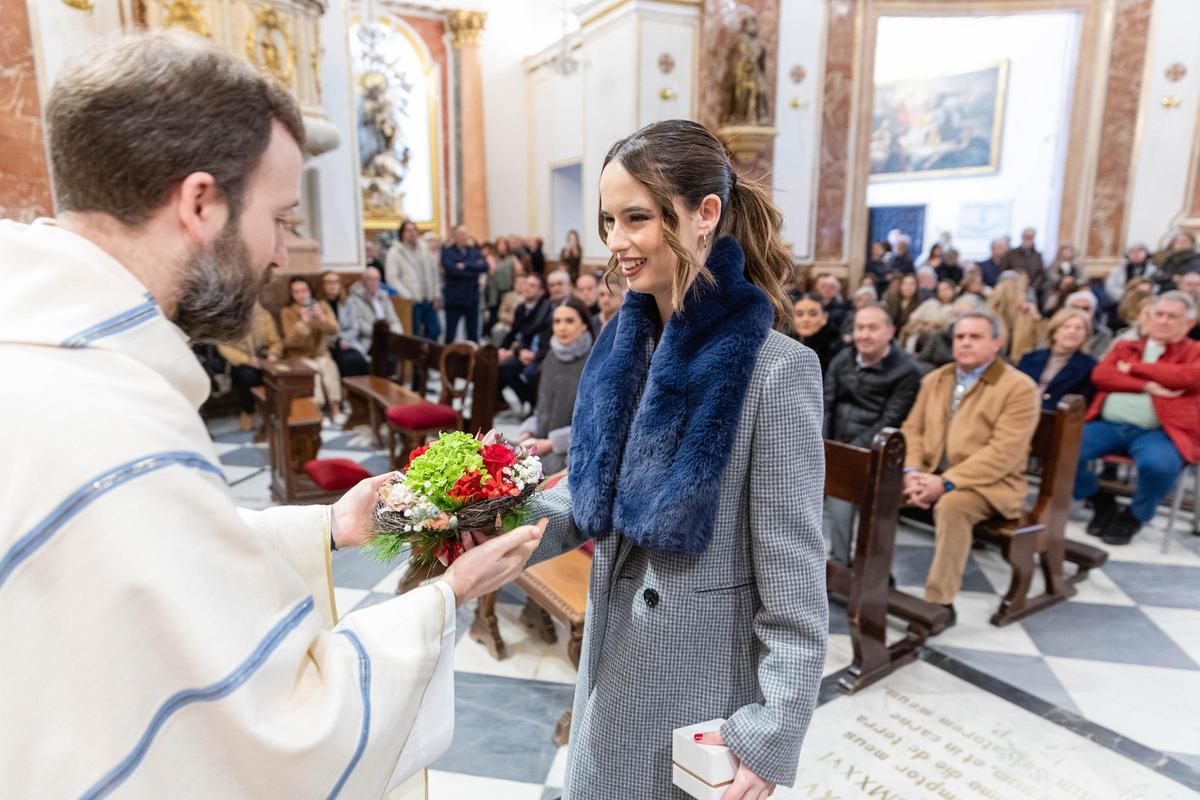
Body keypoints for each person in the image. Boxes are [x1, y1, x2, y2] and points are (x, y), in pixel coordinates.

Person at [0, 30, 545, 798]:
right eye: (282, 217)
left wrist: (329, 527)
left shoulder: (38, 349)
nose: (282, 255)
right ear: (199, 203)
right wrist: (444, 598)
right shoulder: (110, 423)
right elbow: (274, 738)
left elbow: (154, 553)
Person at [488, 119, 827, 800]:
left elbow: (795, 573)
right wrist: (484, 523)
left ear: (705, 214)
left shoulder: (776, 371)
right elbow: (583, 494)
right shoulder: (619, 350)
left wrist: (771, 732)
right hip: (612, 659)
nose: (616, 243)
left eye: (637, 218)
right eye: (608, 220)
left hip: (697, 680)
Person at [900, 310, 1041, 621]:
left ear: (996, 343)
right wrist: (912, 473)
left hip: (991, 484)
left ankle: (940, 602)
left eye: (975, 337)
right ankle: (871, 579)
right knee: (875, 485)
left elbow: (1004, 452)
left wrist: (946, 482)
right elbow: (913, 429)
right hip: (930, 473)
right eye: (960, 337)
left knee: (952, 506)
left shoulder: (1018, 387)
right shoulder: (937, 379)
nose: (965, 343)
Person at [1072, 292, 1200, 545]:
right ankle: (1099, 500)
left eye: (1172, 316)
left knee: (1159, 466)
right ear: (1149, 317)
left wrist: (1134, 369)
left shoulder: (1194, 351)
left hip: (1160, 431)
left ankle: (1135, 515)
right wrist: (1147, 387)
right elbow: (1102, 375)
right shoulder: (1126, 346)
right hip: (1108, 425)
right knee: (1066, 449)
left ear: (1188, 323)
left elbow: (1189, 378)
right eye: (1159, 314)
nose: (1163, 321)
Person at [822, 304, 921, 564]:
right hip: (837, 443)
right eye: (859, 328)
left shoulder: (906, 371)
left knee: (852, 492)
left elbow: (892, 419)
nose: (864, 335)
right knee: (836, 495)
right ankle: (839, 563)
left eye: (873, 328)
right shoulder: (844, 358)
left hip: (877, 450)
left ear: (890, 331)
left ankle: (870, 569)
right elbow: (827, 402)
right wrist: (826, 444)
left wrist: (849, 454)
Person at [517, 298, 595, 474]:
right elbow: (542, 408)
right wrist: (528, 433)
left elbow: (593, 422)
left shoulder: (594, 361)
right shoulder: (551, 357)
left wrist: (553, 443)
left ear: (584, 325)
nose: (562, 327)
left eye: (569, 321)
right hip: (541, 443)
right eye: (557, 321)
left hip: (574, 450)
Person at [281, 277, 348, 425]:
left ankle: (336, 409)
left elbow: (335, 329)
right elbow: (289, 342)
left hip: (320, 353)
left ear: (310, 291)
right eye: (296, 292)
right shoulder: (287, 312)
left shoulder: (322, 305)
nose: (301, 295)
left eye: (303, 290)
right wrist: (303, 324)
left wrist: (322, 319)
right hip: (299, 355)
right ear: (292, 294)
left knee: (329, 367)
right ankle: (316, 411)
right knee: (312, 373)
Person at [216, 300, 283, 431]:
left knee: (273, 376)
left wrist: (273, 354)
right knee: (248, 376)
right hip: (241, 360)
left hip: (264, 359)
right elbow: (223, 347)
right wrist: (246, 359)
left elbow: (276, 341)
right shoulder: (228, 316)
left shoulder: (264, 315)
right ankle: (248, 411)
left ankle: (271, 413)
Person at [1017, 308, 1097, 410]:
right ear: (1054, 332)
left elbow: (1080, 406)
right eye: (1066, 327)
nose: (1072, 331)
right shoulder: (1029, 358)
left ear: (1086, 335)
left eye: (1079, 328)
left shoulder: (1089, 367)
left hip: (1055, 420)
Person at [497, 273, 552, 412]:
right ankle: (522, 400)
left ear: (541, 291)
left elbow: (530, 332)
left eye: (532, 285)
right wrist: (501, 349)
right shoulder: (521, 308)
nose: (527, 288)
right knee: (503, 367)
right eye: (526, 284)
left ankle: (534, 406)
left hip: (539, 352)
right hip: (524, 350)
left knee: (531, 373)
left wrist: (514, 351)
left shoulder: (545, 308)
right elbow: (513, 332)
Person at [386, 219, 442, 341]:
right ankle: (418, 359)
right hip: (411, 301)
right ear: (402, 233)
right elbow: (391, 278)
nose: (412, 233)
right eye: (408, 230)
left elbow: (433, 273)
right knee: (414, 334)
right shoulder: (395, 252)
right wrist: (407, 296)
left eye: (414, 230)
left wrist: (436, 295)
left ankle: (430, 357)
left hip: (428, 298)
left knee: (435, 331)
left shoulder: (424, 249)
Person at [343, 264, 404, 358]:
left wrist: (395, 334)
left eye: (376, 280)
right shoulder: (354, 299)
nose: (373, 283)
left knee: (408, 346)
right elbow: (359, 324)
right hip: (369, 340)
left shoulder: (384, 297)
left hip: (388, 337)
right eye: (370, 279)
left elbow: (394, 319)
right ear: (363, 282)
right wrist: (381, 334)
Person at [318, 270, 370, 380]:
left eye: (335, 282)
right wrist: (336, 341)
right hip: (328, 346)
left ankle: (362, 392)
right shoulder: (319, 305)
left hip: (349, 343)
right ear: (322, 285)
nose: (332, 286)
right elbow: (320, 332)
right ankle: (346, 392)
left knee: (357, 359)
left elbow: (354, 327)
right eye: (329, 282)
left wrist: (343, 339)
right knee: (344, 361)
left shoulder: (349, 302)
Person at [440, 224, 488, 342]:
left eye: (467, 233)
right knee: (450, 334)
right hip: (454, 299)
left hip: (471, 298)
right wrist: (473, 270)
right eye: (462, 234)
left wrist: (465, 265)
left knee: (473, 334)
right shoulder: (447, 252)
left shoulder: (474, 251)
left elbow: (484, 267)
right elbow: (452, 270)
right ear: (455, 236)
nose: (465, 236)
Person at [988, 271, 1042, 363]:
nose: (1025, 297)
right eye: (1023, 292)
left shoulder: (1027, 317)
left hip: (1018, 368)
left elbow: (1041, 347)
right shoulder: (989, 318)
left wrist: (1036, 318)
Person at [901, 278, 958, 354]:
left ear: (953, 290)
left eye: (946, 289)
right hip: (918, 333)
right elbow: (914, 317)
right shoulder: (930, 303)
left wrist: (927, 321)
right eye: (940, 290)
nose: (943, 292)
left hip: (940, 341)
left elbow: (948, 324)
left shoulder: (956, 307)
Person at [791, 292, 844, 373]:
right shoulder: (785, 343)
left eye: (813, 314)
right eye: (799, 314)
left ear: (825, 317)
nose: (805, 319)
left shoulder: (836, 346)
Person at [1063, 290, 1114, 359]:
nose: (1080, 312)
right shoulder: (1058, 328)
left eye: (1085, 309)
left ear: (1093, 311)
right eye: (1075, 308)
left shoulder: (1103, 334)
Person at [484, 236, 519, 336]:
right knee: (494, 313)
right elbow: (491, 271)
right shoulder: (491, 258)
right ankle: (490, 335)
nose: (502, 248)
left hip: (507, 288)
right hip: (494, 290)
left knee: (506, 310)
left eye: (504, 245)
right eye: (500, 245)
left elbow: (519, 270)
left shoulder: (511, 258)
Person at [1104, 242, 1155, 306]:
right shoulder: (1118, 270)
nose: (1136, 254)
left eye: (1140, 250)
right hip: (1121, 302)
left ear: (1147, 254)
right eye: (1132, 251)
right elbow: (1110, 287)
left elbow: (1156, 288)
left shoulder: (1153, 271)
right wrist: (1127, 297)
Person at [1003, 227, 1046, 295]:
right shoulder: (1011, 253)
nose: (1028, 239)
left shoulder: (1038, 255)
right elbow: (1004, 271)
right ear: (1022, 237)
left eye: (1030, 237)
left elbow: (1041, 274)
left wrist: (1033, 286)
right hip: (1012, 287)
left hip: (1031, 288)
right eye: (1026, 236)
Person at [1042, 243, 1082, 309]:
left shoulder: (1076, 265)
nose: (1067, 253)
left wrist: (1073, 281)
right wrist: (1062, 280)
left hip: (1073, 289)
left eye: (1069, 251)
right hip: (1055, 289)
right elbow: (1050, 275)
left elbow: (1083, 278)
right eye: (1065, 251)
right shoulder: (1054, 264)